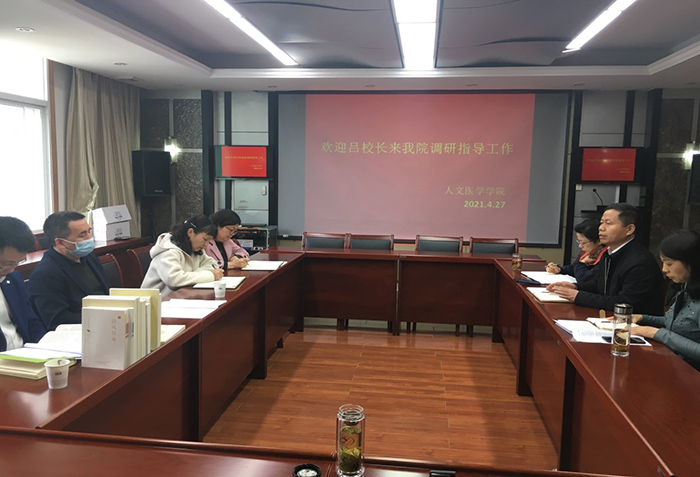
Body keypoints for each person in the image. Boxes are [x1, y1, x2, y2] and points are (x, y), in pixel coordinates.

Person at [547, 203, 664, 315]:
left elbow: (624, 303)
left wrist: (577, 296)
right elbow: (599, 284)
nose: (601, 228)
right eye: (601, 223)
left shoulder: (640, 262)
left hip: (634, 324)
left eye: (608, 223)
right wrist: (575, 287)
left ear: (629, 229)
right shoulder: (610, 253)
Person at [629, 231, 700, 370]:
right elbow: (680, 324)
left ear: (691, 262)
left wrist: (655, 333)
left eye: (669, 263)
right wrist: (643, 318)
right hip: (674, 365)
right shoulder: (686, 288)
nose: (664, 269)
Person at [29, 211, 109, 331]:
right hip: (81, 331)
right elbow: (57, 320)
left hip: (108, 323)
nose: (89, 238)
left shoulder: (89, 257)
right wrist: (103, 319)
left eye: (89, 231)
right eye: (82, 235)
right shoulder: (45, 274)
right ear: (60, 243)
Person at [141, 215, 224, 296]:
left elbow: (213, 265)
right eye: (205, 239)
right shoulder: (168, 251)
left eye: (209, 241)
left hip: (182, 296)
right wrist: (210, 275)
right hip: (158, 301)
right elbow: (174, 280)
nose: (206, 244)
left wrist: (189, 275)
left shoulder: (195, 248)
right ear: (190, 232)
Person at [0, 217, 47, 351]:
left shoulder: (13, 278)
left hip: (24, 355)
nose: (11, 270)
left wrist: (45, 349)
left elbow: (31, 321)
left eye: (18, 262)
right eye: (6, 264)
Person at [546, 218, 607, 283]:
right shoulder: (589, 252)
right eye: (579, 241)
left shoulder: (606, 257)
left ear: (599, 241)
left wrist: (582, 263)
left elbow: (584, 279)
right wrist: (559, 269)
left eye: (583, 243)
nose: (580, 246)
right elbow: (574, 268)